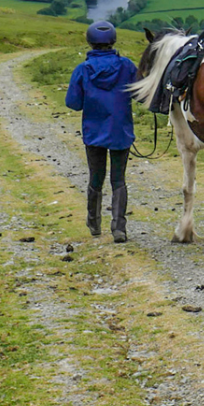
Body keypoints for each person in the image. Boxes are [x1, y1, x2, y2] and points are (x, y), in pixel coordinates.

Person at [66, 21, 138, 243]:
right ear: (113, 41)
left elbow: (73, 103)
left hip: (94, 132)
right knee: (119, 180)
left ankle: (94, 223)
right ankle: (119, 229)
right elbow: (140, 93)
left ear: (90, 42)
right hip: (120, 131)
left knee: (95, 178)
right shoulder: (127, 66)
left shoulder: (82, 70)